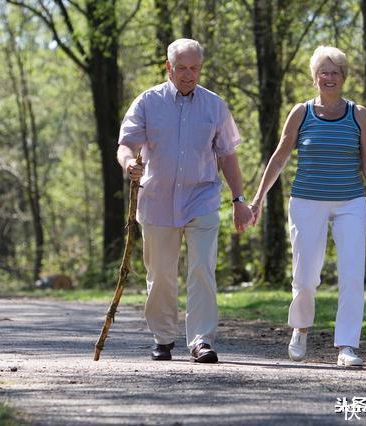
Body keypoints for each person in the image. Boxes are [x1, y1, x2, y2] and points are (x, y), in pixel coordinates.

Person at [249, 46, 366, 366]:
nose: (329, 77)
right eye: (323, 72)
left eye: (335, 72)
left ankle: (347, 346)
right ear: (314, 78)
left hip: (350, 201)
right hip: (307, 201)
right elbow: (280, 156)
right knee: (306, 274)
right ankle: (300, 327)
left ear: (344, 78)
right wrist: (258, 198)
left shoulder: (359, 114)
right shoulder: (301, 113)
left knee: (352, 273)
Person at [117, 38, 253, 363]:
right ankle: (163, 338)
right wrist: (128, 164)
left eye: (194, 68)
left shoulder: (214, 105)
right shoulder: (147, 102)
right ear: (169, 68)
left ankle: (201, 340)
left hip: (201, 197)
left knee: (202, 269)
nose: (189, 75)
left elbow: (228, 156)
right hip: (156, 200)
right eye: (182, 68)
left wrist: (239, 199)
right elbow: (126, 144)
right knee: (161, 273)